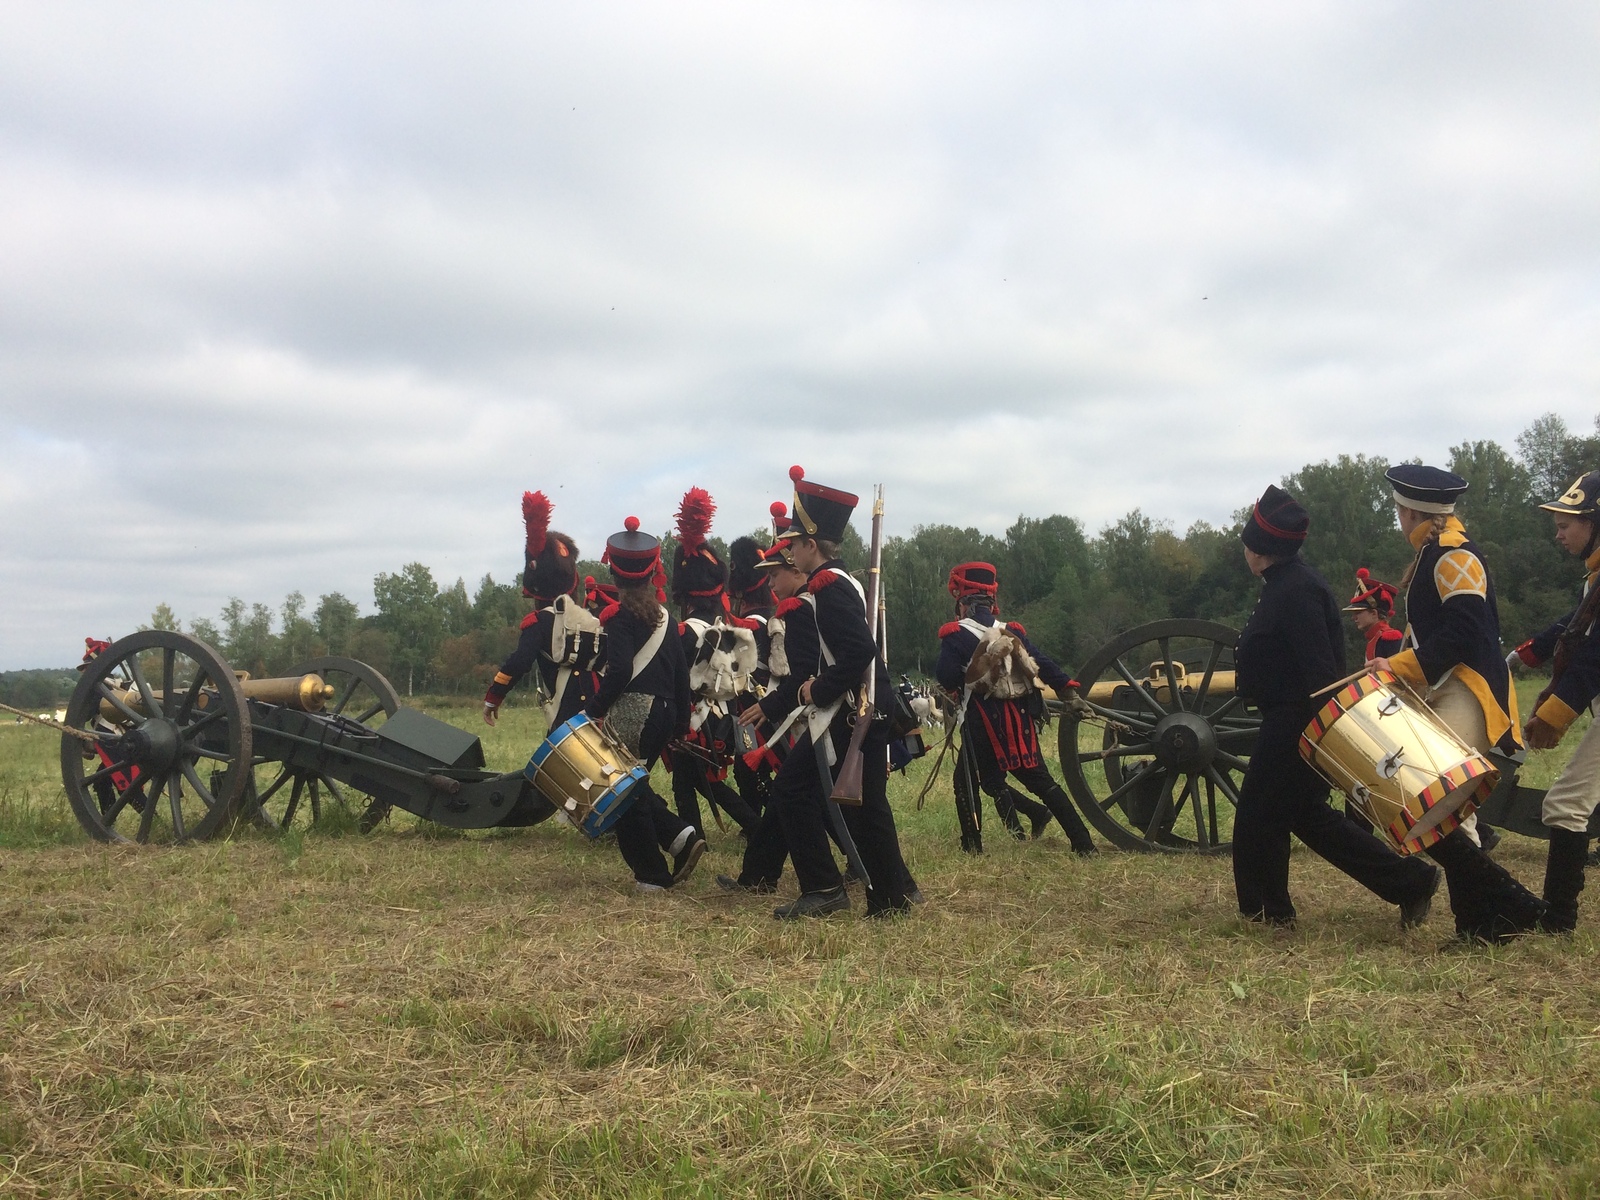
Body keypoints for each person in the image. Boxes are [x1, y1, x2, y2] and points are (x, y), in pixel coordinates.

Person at [1232, 484, 1442, 929]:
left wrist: (1319, 734)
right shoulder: (1283, 585)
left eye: (1248, 544)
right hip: (1289, 717)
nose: (1244, 552)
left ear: (1262, 549)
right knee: (1306, 817)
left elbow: (1320, 669)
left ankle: (1268, 911)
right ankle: (1410, 882)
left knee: (1257, 813)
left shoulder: (1297, 590)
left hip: (1296, 720)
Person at [1371, 464, 1546, 941]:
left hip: (1470, 689)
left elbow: (1466, 632)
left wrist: (1403, 666)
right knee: (1453, 811)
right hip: (1448, 687)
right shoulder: (1439, 553)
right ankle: (1483, 922)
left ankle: (1513, 903)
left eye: (1399, 511)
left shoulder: (1454, 558)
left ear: (1410, 512)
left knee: (1427, 804)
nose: (1398, 519)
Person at [760, 465, 915, 919]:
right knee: (860, 808)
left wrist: (816, 688)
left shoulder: (828, 585)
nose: (788, 550)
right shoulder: (836, 581)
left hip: (853, 709)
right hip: (856, 707)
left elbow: (859, 650)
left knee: (799, 793)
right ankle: (887, 897)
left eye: (793, 543)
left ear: (811, 545)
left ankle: (836, 890)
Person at [934, 562, 1097, 856]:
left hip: (981, 721)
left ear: (964, 602)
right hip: (1018, 718)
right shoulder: (1011, 631)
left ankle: (972, 846)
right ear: (990, 601)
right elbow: (1041, 663)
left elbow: (946, 677)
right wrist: (1068, 690)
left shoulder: (955, 634)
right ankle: (1083, 842)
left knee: (965, 782)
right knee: (1040, 780)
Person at [585, 516, 706, 893]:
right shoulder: (667, 619)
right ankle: (679, 836)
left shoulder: (619, 618)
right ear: (653, 570)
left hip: (634, 713)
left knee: (620, 793)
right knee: (632, 786)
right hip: (665, 712)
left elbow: (619, 671)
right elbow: (680, 675)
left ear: (616, 574)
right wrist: (681, 722)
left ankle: (652, 875)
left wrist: (594, 709)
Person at [1506, 471, 1600, 932]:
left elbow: (1595, 655)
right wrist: (1526, 653)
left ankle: (1558, 919)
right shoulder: (1596, 578)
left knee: (1565, 803)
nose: (1558, 533)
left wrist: (1554, 713)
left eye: (1567, 524)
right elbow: (1573, 623)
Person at [668, 487, 760, 841]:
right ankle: (697, 838)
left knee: (701, 786)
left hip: (696, 720)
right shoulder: (725, 627)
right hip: (720, 719)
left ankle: (754, 827)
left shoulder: (685, 632)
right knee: (689, 782)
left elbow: (679, 680)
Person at [482, 491, 603, 730]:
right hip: (599, 710)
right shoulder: (589, 619)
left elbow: (519, 662)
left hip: (565, 717)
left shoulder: (538, 622)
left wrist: (494, 696)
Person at [1343, 568, 1405, 662]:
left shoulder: (1389, 638)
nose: (1354, 617)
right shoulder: (1374, 638)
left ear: (1374, 613)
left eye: (1358, 613)